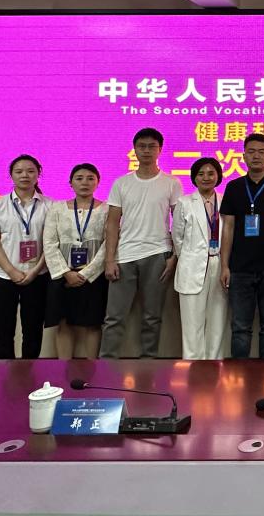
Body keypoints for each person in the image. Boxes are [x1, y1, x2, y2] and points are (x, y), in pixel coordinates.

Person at [100, 128, 182, 358]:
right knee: (114, 317)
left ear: (160, 150)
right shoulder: (121, 183)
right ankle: (107, 363)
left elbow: (178, 223)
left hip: (158, 254)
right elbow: (112, 223)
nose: (146, 150)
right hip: (124, 255)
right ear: (134, 150)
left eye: (151, 146)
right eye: (142, 146)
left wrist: (174, 256)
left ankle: (149, 362)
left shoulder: (171, 183)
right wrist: (109, 259)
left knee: (152, 316)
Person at [219, 133, 264, 358]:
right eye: (251, 152)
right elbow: (228, 228)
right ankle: (240, 375)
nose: (256, 156)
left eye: (262, 152)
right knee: (240, 327)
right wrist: (224, 266)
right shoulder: (233, 187)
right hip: (240, 268)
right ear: (243, 156)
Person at [0, 154, 51, 358]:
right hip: (3, 277)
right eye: (19, 171)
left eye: (30, 171)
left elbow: (52, 243)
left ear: (38, 174)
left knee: (33, 332)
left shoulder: (50, 205)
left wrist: (35, 270)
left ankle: (30, 373)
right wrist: (11, 271)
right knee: (2, 333)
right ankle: (4, 374)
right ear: (11, 175)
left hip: (38, 277)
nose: (25, 175)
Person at [42, 163, 109, 359]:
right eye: (79, 178)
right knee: (63, 322)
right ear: (70, 183)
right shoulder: (57, 209)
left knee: (93, 323)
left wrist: (86, 273)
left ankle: (93, 366)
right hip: (63, 275)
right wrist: (66, 273)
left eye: (90, 178)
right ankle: (64, 367)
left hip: (94, 275)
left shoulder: (106, 209)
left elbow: (109, 244)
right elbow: (49, 242)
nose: (84, 182)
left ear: (98, 182)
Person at [172, 157, 228, 360]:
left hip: (220, 264)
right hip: (192, 266)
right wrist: (189, 257)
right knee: (192, 324)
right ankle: (192, 366)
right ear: (194, 178)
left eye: (211, 173)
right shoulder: (184, 202)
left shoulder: (225, 201)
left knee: (217, 321)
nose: (206, 177)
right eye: (201, 174)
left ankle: (215, 364)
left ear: (218, 176)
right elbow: (177, 237)